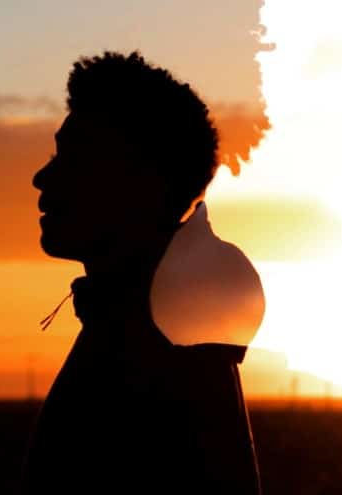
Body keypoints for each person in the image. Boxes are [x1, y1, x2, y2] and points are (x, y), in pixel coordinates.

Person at [22, 51, 265, 494]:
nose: (43, 178)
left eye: (74, 158)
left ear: (135, 181)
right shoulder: (144, 320)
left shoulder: (155, 346)